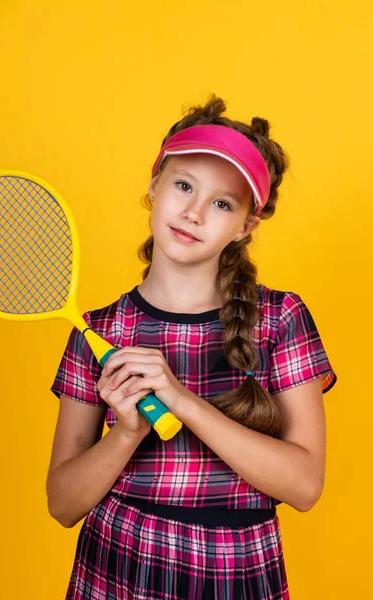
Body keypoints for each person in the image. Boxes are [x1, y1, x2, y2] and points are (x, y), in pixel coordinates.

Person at [47, 93, 337, 599]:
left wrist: (182, 401)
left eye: (222, 203)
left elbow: (305, 486)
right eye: (183, 185)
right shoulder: (96, 331)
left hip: (238, 573)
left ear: (247, 225)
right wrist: (126, 433)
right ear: (155, 185)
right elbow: (62, 504)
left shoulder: (280, 319)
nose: (194, 213)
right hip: (118, 571)